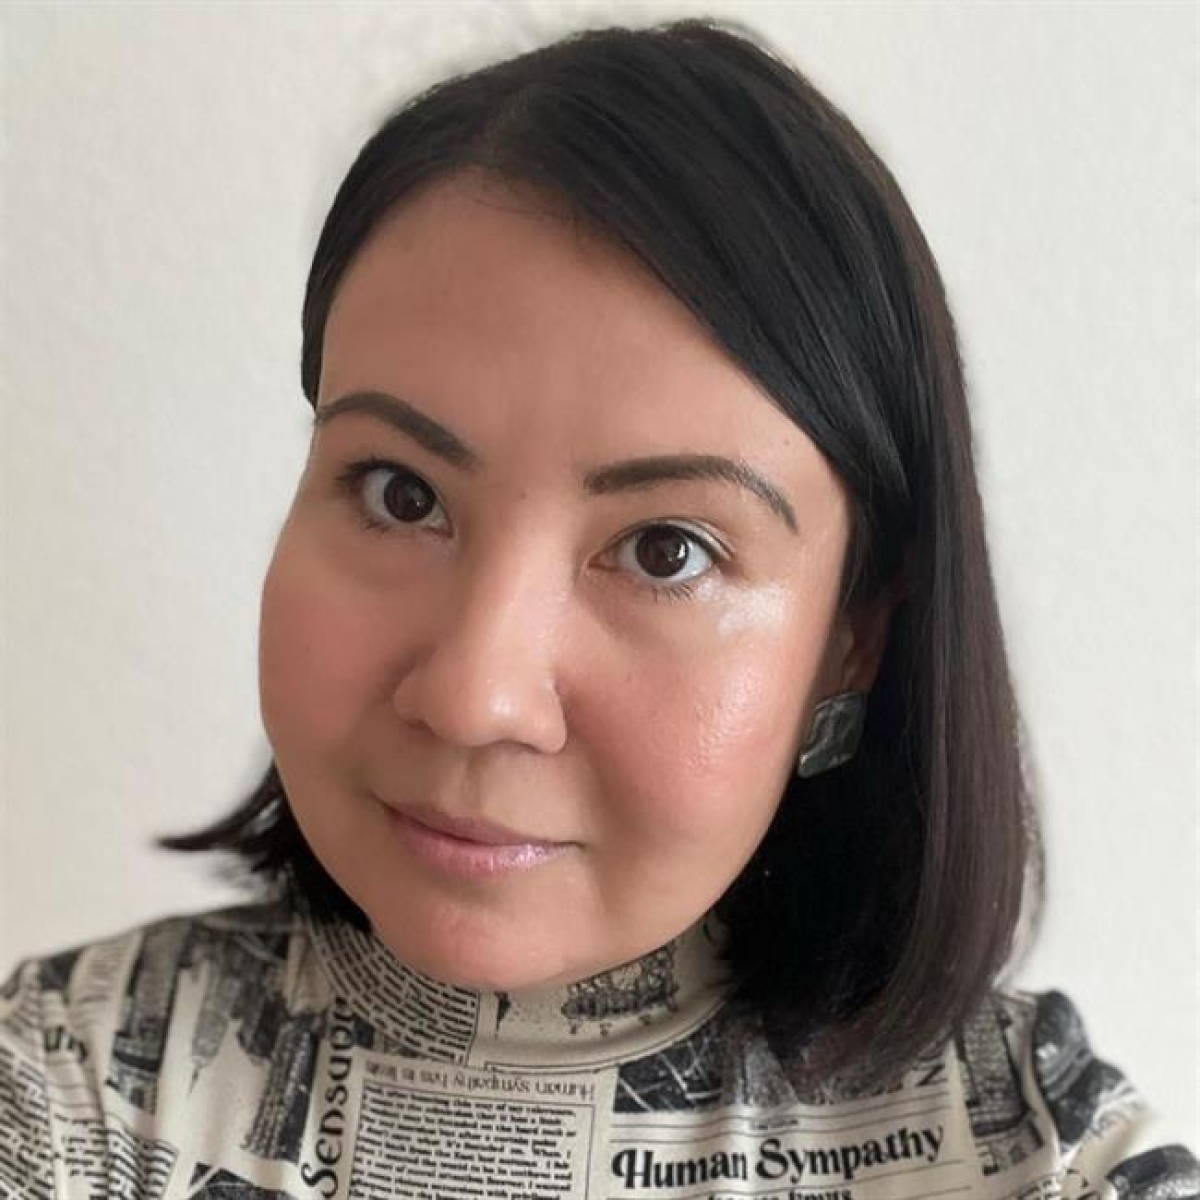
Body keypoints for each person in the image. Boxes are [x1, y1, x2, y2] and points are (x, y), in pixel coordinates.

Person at [1, 15, 1194, 1199]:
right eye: (402, 494)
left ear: (855, 635)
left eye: (666, 551)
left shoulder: (1046, 1161)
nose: (477, 697)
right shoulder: (61, 1092)